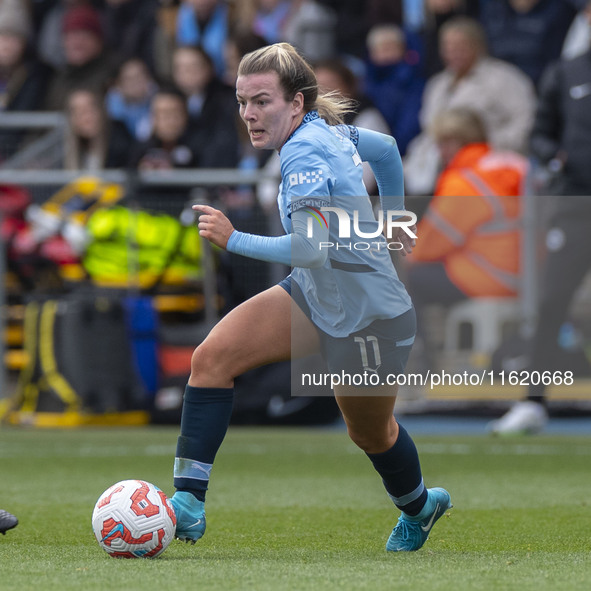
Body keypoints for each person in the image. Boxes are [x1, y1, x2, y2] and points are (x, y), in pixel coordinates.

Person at [169, 42, 451, 553]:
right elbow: (386, 148)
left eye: (261, 101)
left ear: (296, 103)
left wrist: (233, 239)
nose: (248, 114)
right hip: (316, 296)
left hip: (370, 318)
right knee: (211, 358)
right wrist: (393, 219)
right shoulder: (326, 131)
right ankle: (187, 504)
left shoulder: (303, 151)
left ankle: (420, 507)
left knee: (371, 434)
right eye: (241, 101)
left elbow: (310, 249)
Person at [489, 0, 591, 435]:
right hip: (574, 205)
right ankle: (533, 402)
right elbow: (541, 133)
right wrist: (556, 158)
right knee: (552, 303)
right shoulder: (567, 71)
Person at [406, 108, 526, 371]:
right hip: (531, 276)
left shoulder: (464, 181)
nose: (441, 151)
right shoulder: (512, 164)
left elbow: (428, 245)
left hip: (490, 275)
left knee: (403, 276)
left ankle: (418, 358)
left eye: (444, 143)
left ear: (456, 142)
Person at [403, 16, 536, 195]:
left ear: (478, 45)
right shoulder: (437, 84)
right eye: (448, 46)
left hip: (488, 169)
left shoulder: (505, 78)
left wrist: (490, 150)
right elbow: (428, 129)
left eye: (460, 45)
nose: (453, 52)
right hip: (436, 168)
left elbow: (525, 122)